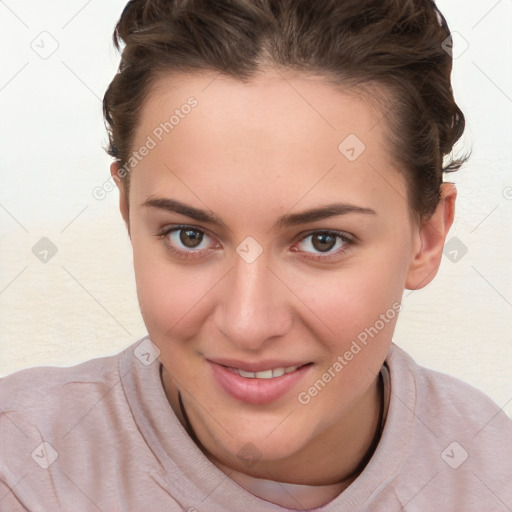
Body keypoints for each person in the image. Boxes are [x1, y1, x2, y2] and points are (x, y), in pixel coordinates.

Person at [1, 0, 511, 510]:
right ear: (128, 214)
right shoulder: (23, 464)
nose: (247, 324)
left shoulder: (493, 473)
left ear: (427, 237)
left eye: (322, 241)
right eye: (190, 236)